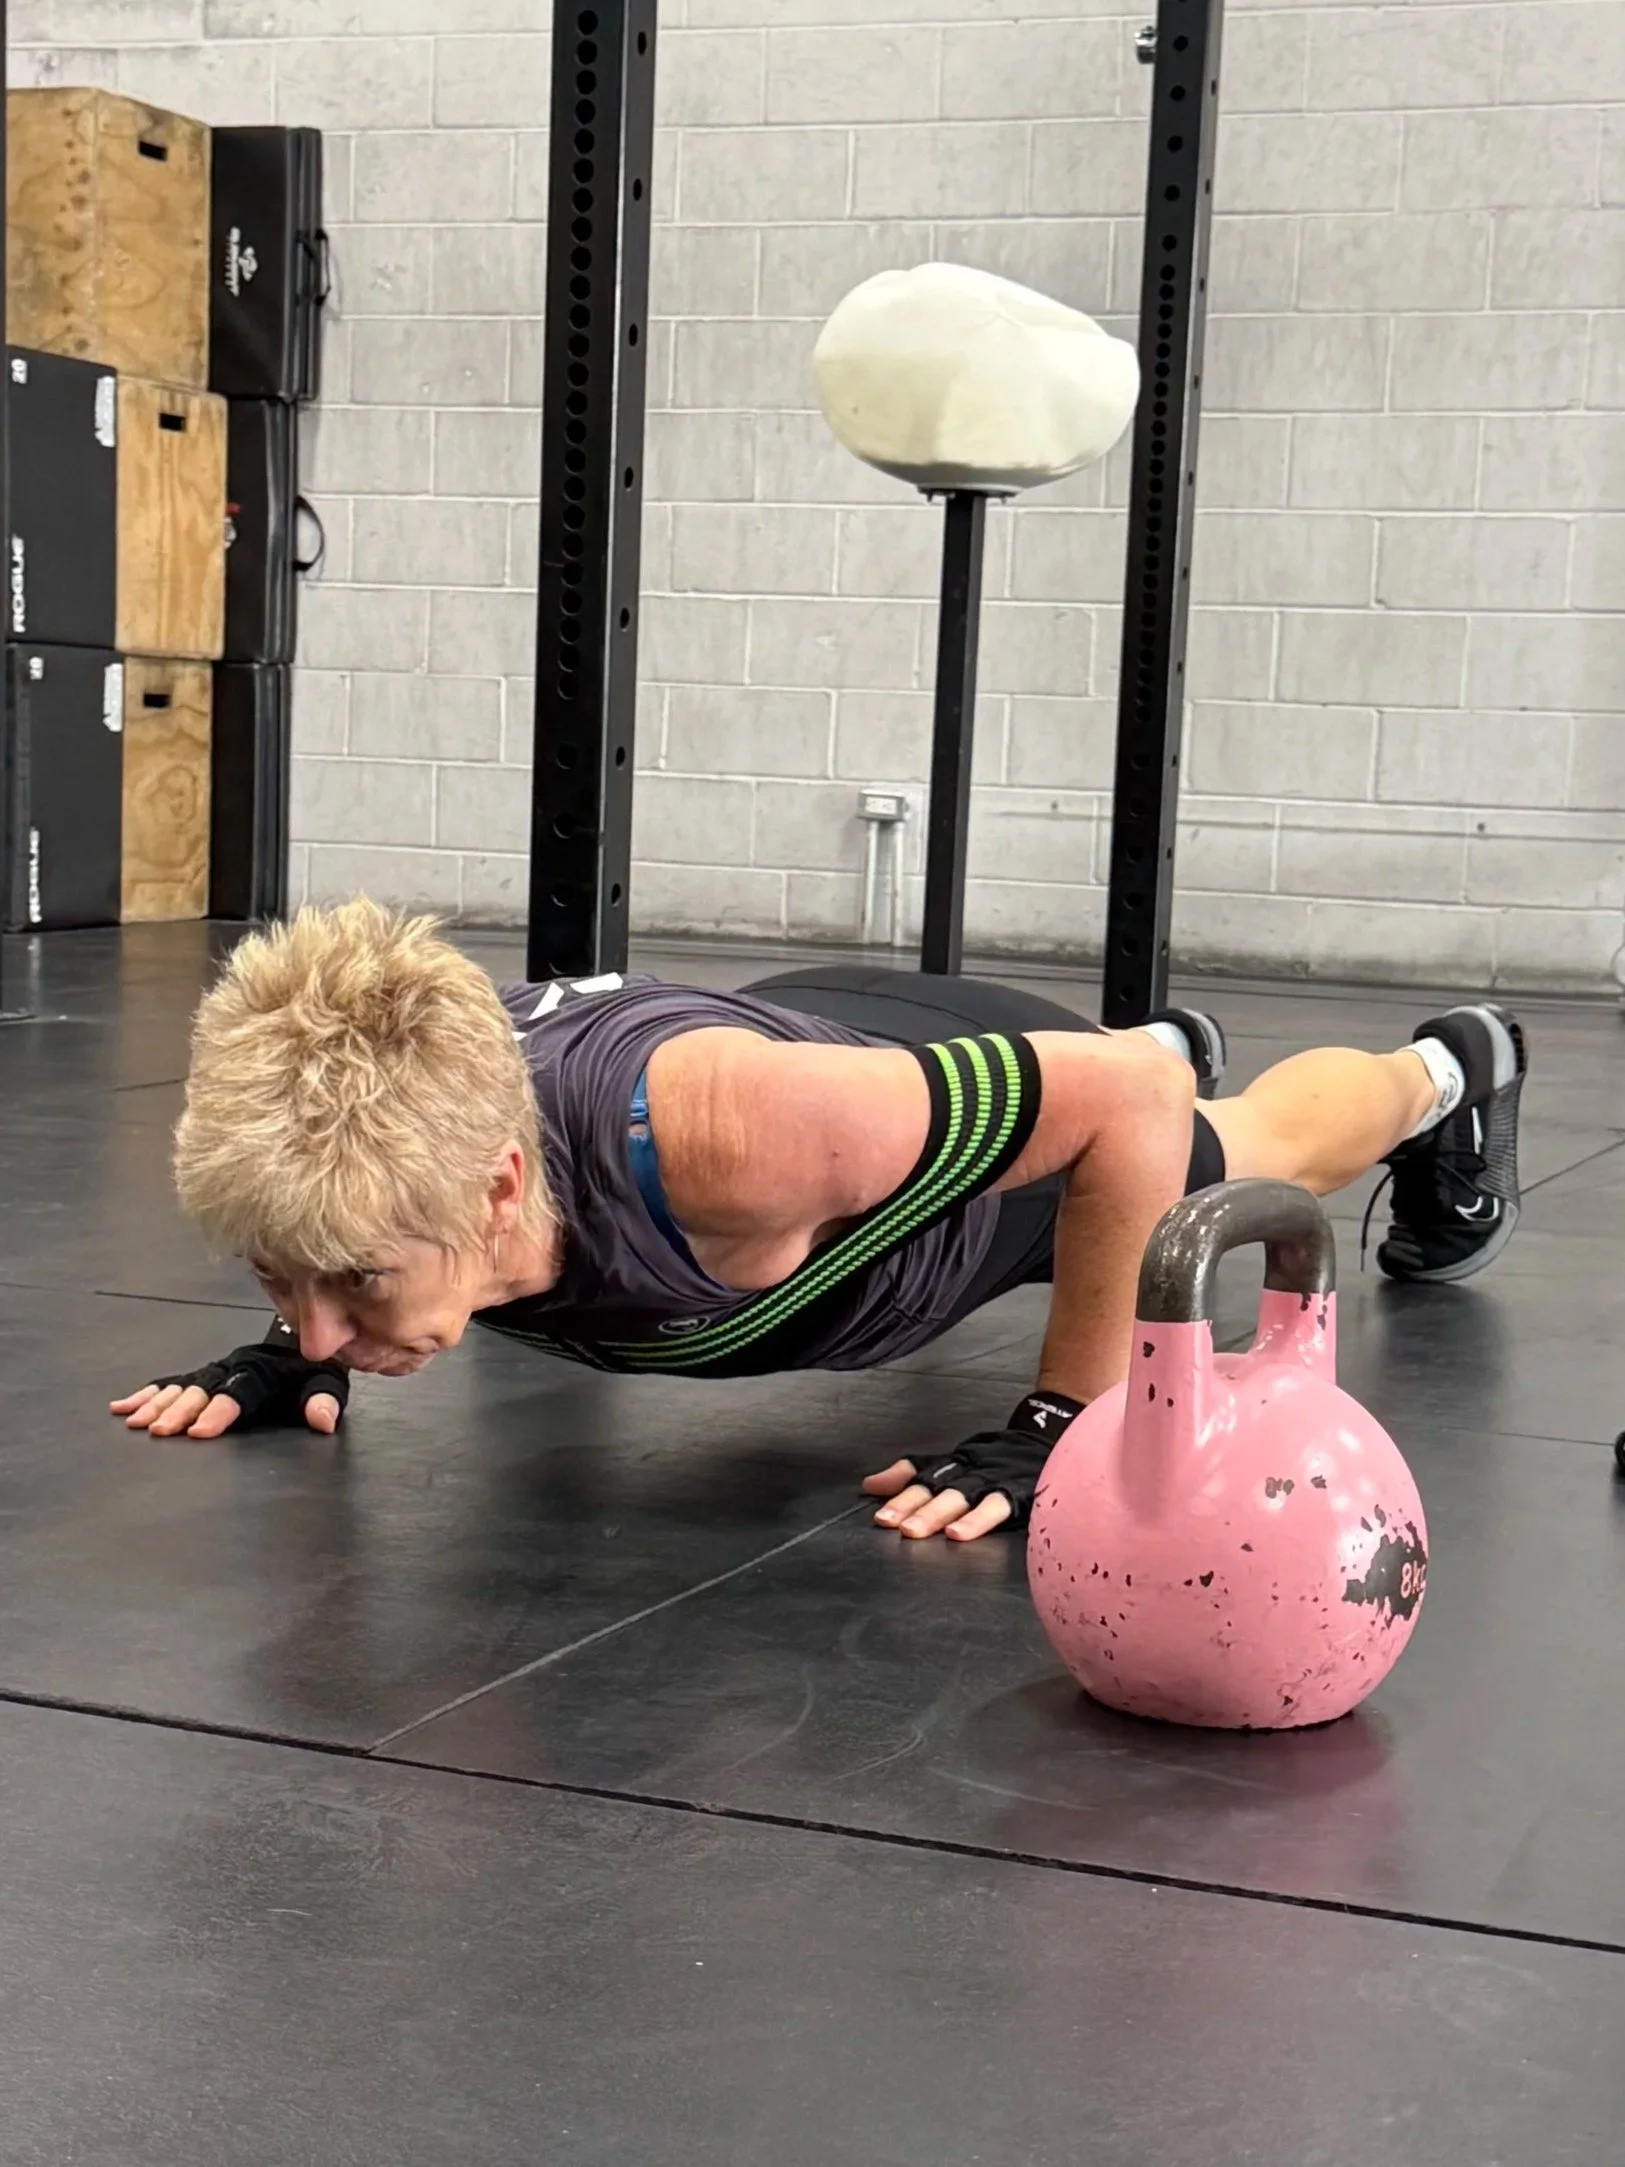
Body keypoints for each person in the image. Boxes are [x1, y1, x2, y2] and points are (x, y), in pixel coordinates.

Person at [112, 901, 1527, 1544]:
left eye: (354, 1282)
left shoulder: (720, 1145)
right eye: (279, 1277)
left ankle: (1448, 1067)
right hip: (838, 1050)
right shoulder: (392, 1151)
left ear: (496, 1187)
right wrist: (299, 1345)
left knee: (1226, 1135)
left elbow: (1133, 1108)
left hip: (886, 1133)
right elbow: (338, 1178)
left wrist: (1064, 1425)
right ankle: (1061, 1052)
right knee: (1048, 1077)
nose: (320, 1320)